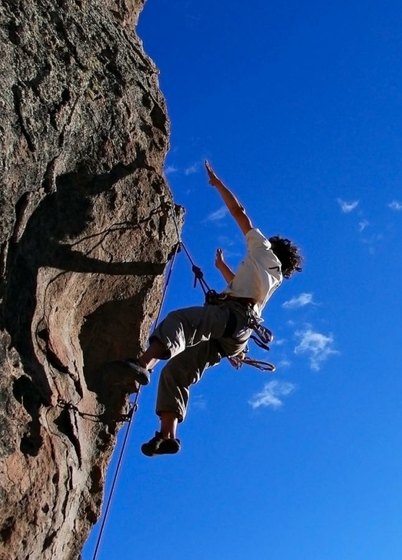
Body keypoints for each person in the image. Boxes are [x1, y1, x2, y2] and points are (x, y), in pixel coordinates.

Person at [116, 161, 303, 456]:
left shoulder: (262, 249)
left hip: (230, 317)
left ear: (272, 244)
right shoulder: (274, 276)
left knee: (180, 322)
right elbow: (241, 287)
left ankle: (143, 364)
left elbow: (239, 212)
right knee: (177, 371)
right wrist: (221, 267)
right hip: (237, 332)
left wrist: (217, 184)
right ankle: (167, 436)